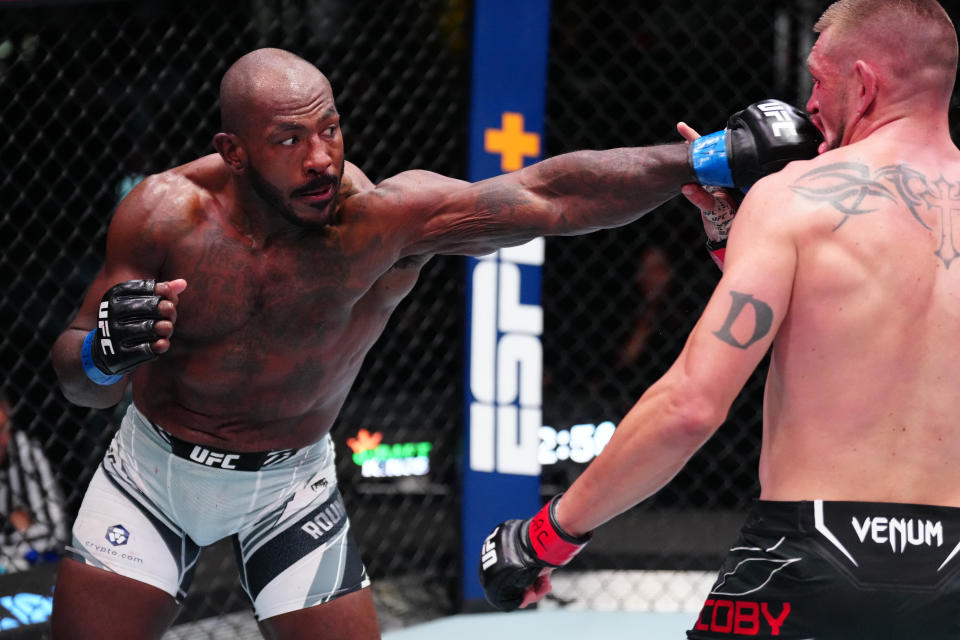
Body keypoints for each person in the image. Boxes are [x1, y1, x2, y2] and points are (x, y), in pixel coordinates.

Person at [49, 46, 817, 640]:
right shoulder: (163, 215)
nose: (321, 157)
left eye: (330, 128)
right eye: (289, 140)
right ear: (234, 149)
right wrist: (99, 355)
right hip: (153, 477)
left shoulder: (380, 220)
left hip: (287, 491)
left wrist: (706, 156)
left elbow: (548, 197)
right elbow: (75, 374)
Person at [477, 1, 960, 638]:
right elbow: (871, 326)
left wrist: (549, 534)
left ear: (866, 83)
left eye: (819, 80)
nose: (809, 103)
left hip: (810, 556)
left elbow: (690, 407)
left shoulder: (793, 198)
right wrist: (736, 238)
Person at [0, 388, 68, 575]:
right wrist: (22, 530)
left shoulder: (25, 451)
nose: (4, 440)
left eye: (5, 429)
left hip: (32, 571)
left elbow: (56, 534)